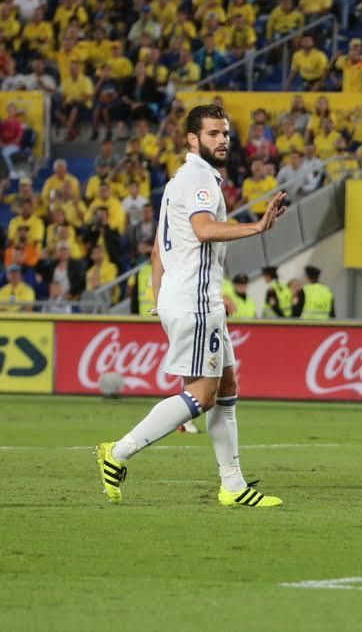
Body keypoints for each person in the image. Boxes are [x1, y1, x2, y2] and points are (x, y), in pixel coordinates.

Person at [94, 104, 288, 508]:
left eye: (226, 133)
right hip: (194, 302)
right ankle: (118, 452)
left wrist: (159, 295)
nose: (222, 140)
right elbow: (202, 230)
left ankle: (233, 486)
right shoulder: (199, 179)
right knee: (202, 395)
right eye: (214, 133)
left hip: (191, 298)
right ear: (192, 139)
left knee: (228, 387)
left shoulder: (178, 180)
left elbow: (159, 251)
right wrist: (257, 226)